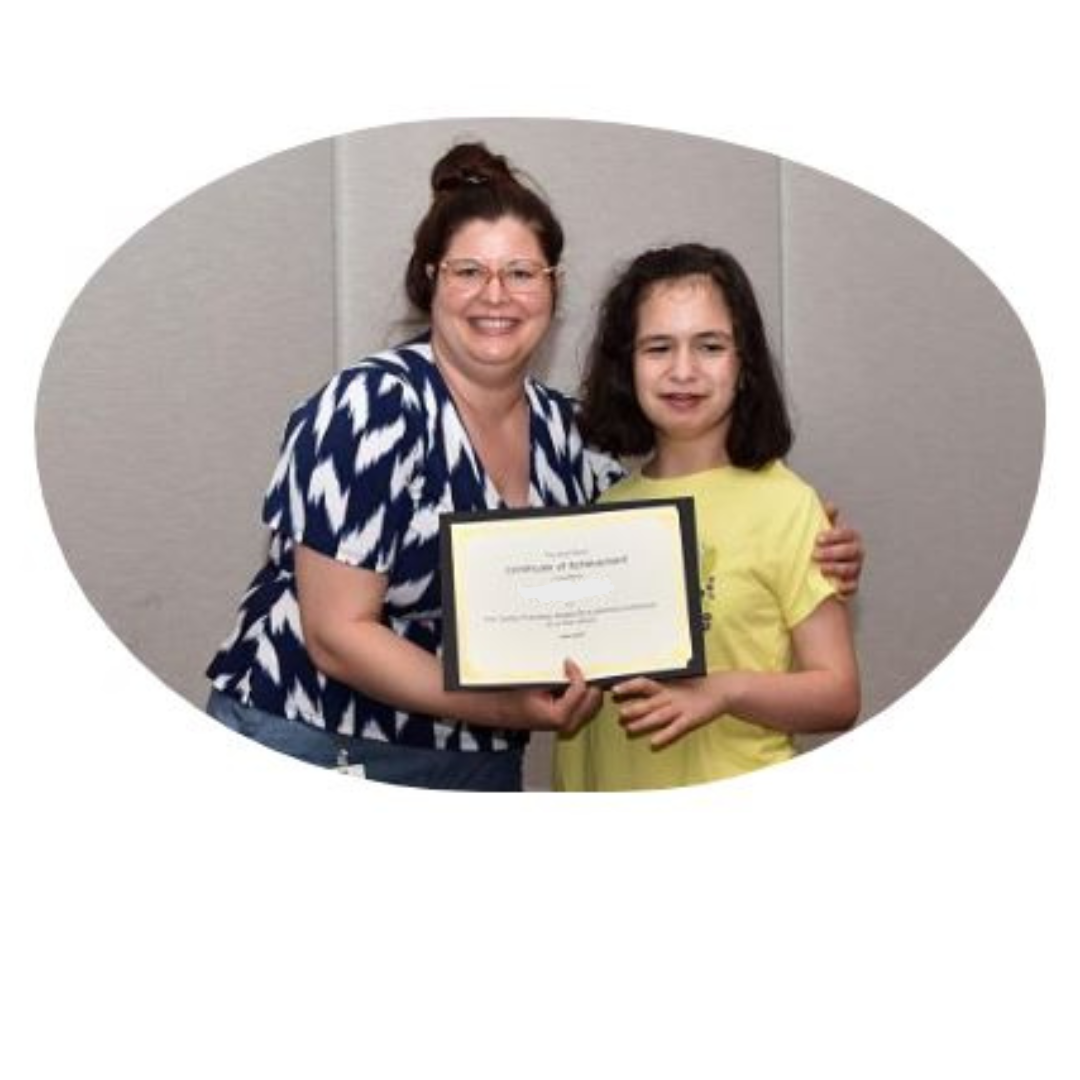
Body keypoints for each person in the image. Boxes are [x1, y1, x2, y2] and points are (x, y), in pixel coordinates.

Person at [206, 144, 863, 791]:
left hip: (477, 762)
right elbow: (335, 634)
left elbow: (686, 520)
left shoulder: (574, 441)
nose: (497, 295)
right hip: (321, 741)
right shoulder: (372, 407)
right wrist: (505, 710)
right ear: (430, 281)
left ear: (553, 287)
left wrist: (818, 548)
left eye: (521, 272)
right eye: (469, 271)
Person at [554, 243, 861, 791]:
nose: (683, 371)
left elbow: (838, 696)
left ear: (743, 363)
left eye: (710, 346)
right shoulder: (605, 512)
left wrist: (724, 690)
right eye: (657, 347)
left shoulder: (789, 506)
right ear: (627, 365)